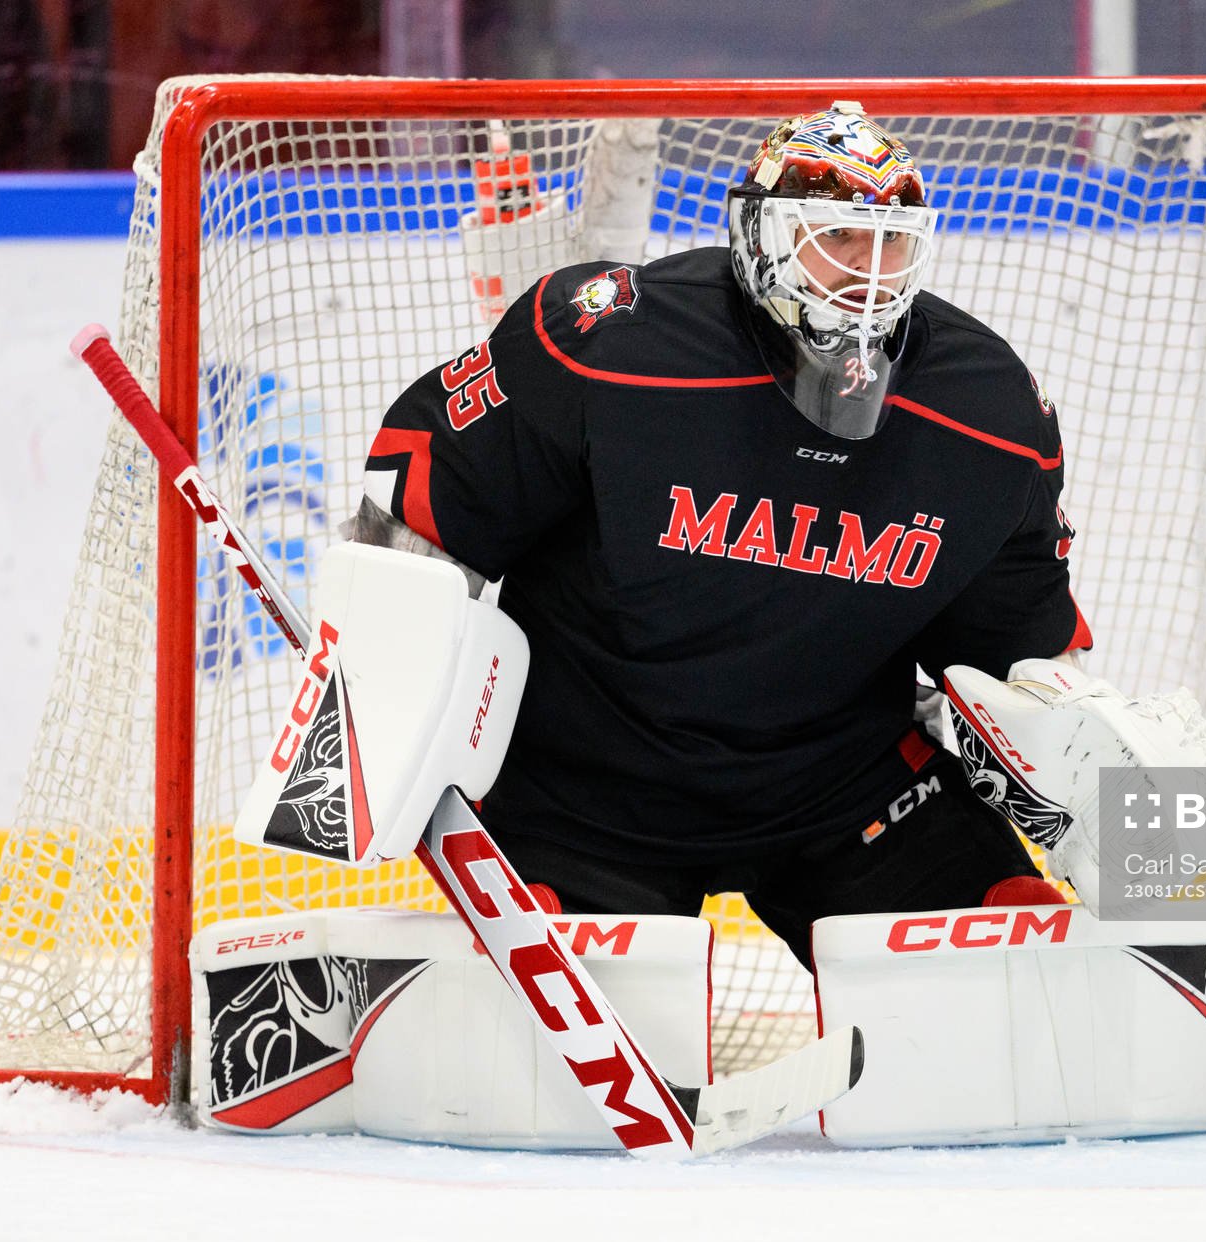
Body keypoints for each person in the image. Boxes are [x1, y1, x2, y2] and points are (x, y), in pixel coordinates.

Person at [353, 103, 1091, 966]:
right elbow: (422, 520)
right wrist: (376, 717)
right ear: (761, 235)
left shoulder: (991, 414)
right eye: (839, 235)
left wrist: (1131, 821)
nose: (870, 270)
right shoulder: (608, 343)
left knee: (1018, 992)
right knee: (600, 1087)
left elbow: (1026, 665)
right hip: (590, 798)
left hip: (847, 793)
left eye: (891, 241)